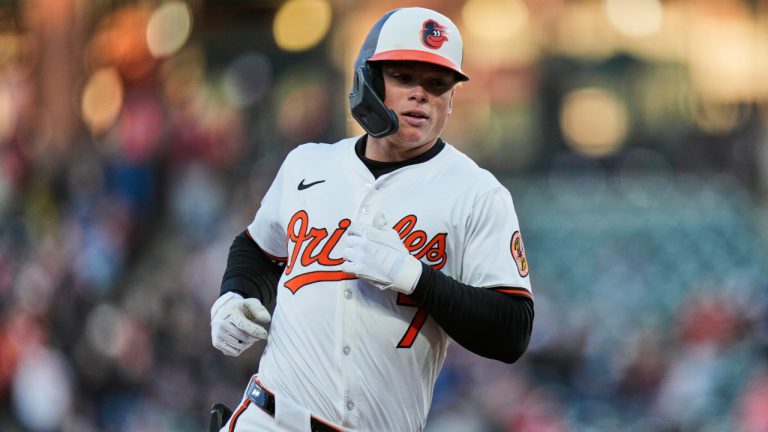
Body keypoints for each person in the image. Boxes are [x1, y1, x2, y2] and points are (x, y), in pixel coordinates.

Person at [209, 7, 534, 432]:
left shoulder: (477, 193)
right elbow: (256, 248)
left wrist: (416, 277)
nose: (421, 94)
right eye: (404, 77)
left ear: (452, 99)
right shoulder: (308, 164)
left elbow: (512, 331)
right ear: (369, 80)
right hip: (271, 420)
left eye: (437, 84)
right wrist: (234, 295)